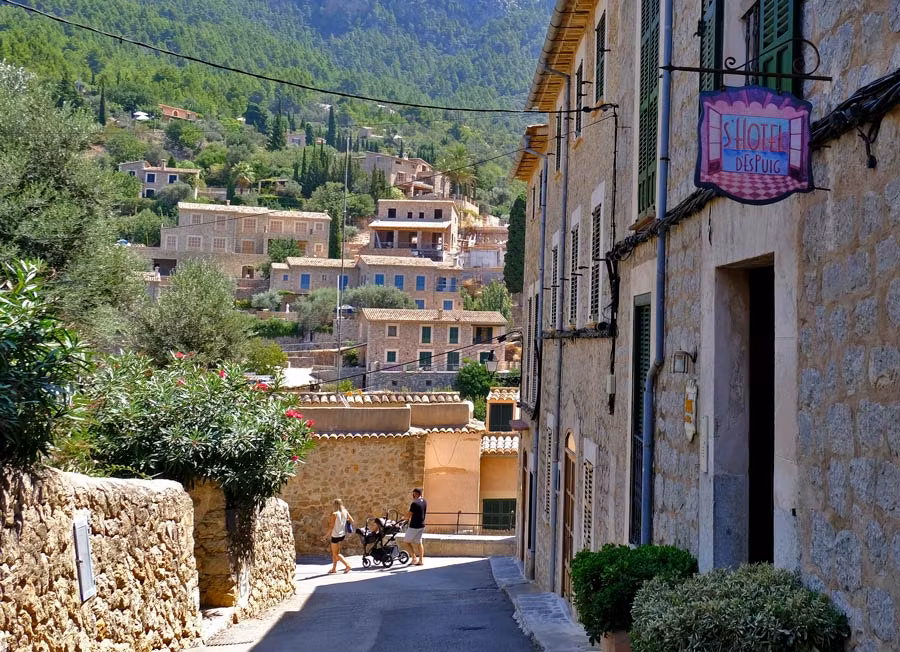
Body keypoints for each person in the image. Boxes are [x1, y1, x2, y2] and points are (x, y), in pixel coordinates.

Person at [324, 498, 353, 574]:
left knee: (335, 554)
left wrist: (326, 536)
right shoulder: (345, 511)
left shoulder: (335, 514)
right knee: (336, 552)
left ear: (334, 505)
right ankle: (334, 569)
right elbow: (351, 520)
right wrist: (344, 522)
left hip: (335, 536)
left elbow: (331, 527)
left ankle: (347, 565)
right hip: (342, 535)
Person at [403, 488, 427, 566]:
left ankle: (414, 559)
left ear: (416, 494)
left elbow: (409, 515)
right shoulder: (424, 501)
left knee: (406, 542)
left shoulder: (414, 503)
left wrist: (403, 518)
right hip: (422, 525)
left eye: (413, 494)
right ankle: (421, 560)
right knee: (419, 542)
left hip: (414, 526)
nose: (413, 495)